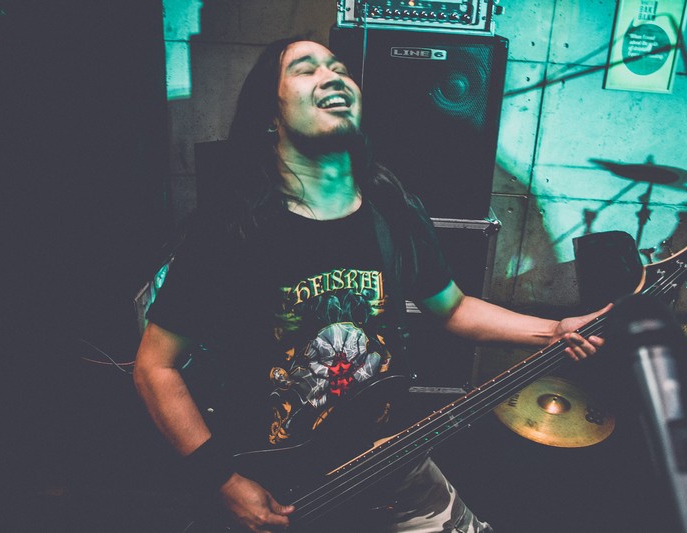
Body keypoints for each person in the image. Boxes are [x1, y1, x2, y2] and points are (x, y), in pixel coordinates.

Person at [133, 37, 608, 533]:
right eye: (306, 69)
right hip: (279, 487)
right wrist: (224, 481)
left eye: (338, 68)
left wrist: (554, 330)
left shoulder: (390, 206)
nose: (332, 76)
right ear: (270, 115)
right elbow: (155, 367)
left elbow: (452, 308)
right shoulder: (232, 228)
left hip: (388, 460)